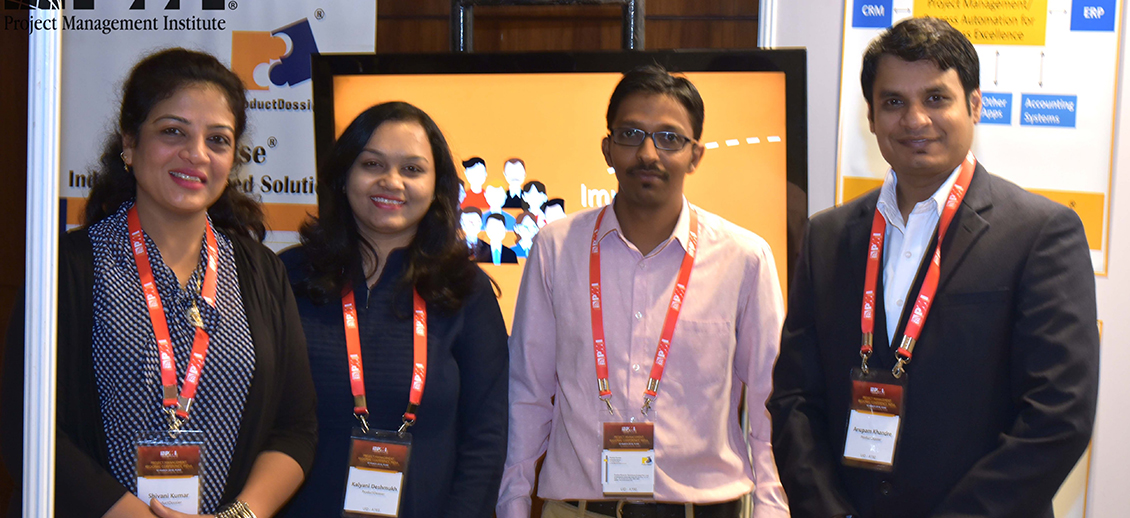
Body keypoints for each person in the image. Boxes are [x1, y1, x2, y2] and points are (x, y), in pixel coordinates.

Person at [767, 17, 1098, 518]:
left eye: (936, 98)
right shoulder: (826, 237)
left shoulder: (1041, 233)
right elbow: (794, 399)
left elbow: (1058, 415)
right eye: (893, 102)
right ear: (871, 117)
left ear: (975, 105)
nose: (915, 119)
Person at [0, 48, 317, 518]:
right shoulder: (67, 268)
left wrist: (240, 515)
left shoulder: (262, 272)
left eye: (217, 139)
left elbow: (295, 427)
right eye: (173, 131)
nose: (196, 154)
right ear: (129, 143)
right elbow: (25, 424)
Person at [499, 65, 789, 518]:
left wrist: (772, 508)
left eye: (669, 138)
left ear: (695, 155)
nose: (648, 153)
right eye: (631, 134)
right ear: (608, 148)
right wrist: (514, 504)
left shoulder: (745, 259)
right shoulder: (555, 248)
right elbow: (528, 395)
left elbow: (769, 403)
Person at [279, 101, 508, 518]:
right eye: (372, 164)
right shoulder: (288, 276)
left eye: (412, 169)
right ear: (343, 176)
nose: (391, 181)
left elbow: (486, 439)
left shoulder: (466, 289)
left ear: (437, 186)